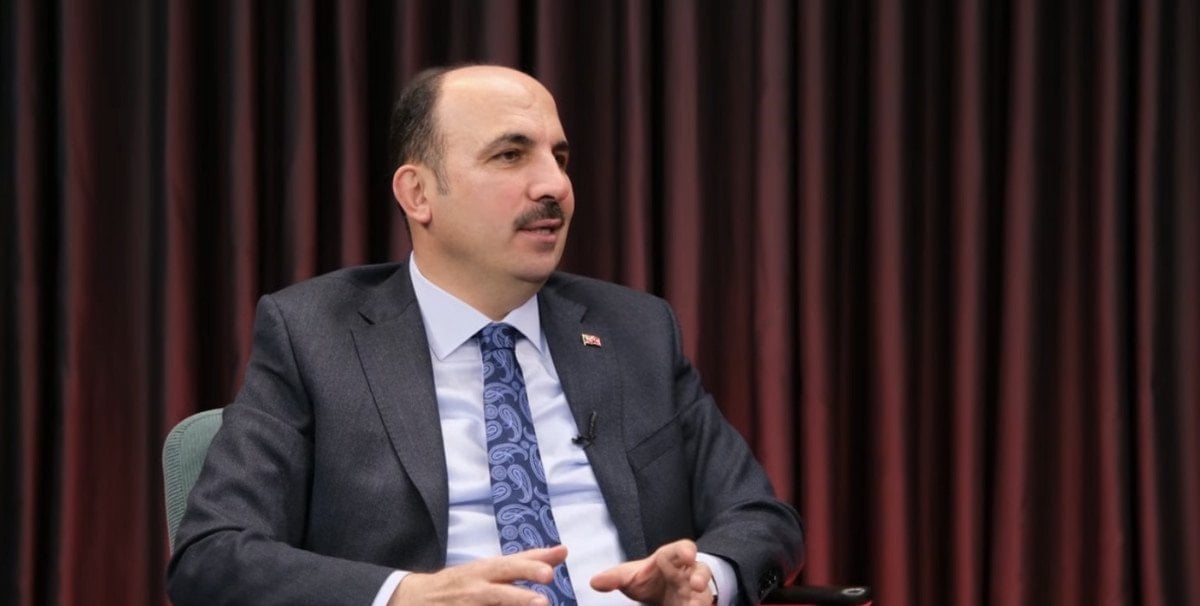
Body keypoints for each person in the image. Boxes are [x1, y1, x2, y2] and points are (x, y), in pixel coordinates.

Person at [166, 64, 803, 606]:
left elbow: (760, 516)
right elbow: (212, 555)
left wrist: (705, 580)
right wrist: (406, 595)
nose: (555, 185)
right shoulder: (315, 335)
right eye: (510, 155)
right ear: (418, 193)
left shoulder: (635, 329)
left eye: (559, 158)